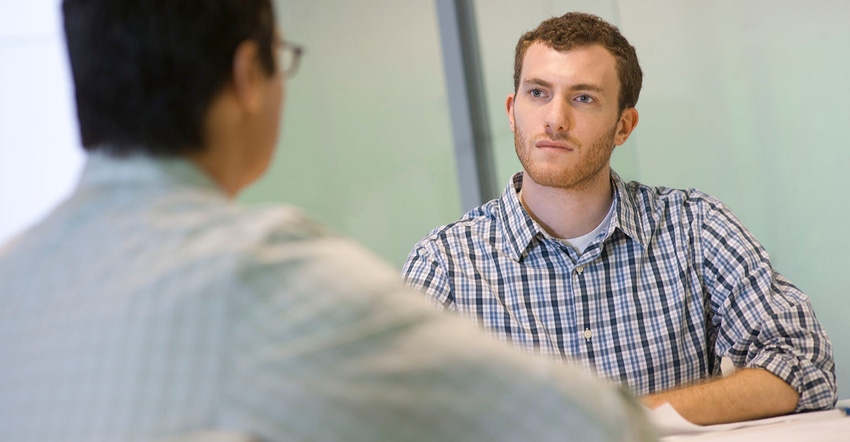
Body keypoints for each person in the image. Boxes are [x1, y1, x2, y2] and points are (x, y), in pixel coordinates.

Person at [0, 1, 658, 441]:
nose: (555, 119)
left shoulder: (12, 278)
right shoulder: (265, 274)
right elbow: (593, 426)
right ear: (247, 77)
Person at [402, 12, 836, 426]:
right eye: (538, 93)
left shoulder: (694, 229)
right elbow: (390, 417)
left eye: (583, 98)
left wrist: (626, 418)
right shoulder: (446, 267)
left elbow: (804, 365)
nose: (555, 119)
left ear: (623, 126)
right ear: (513, 108)